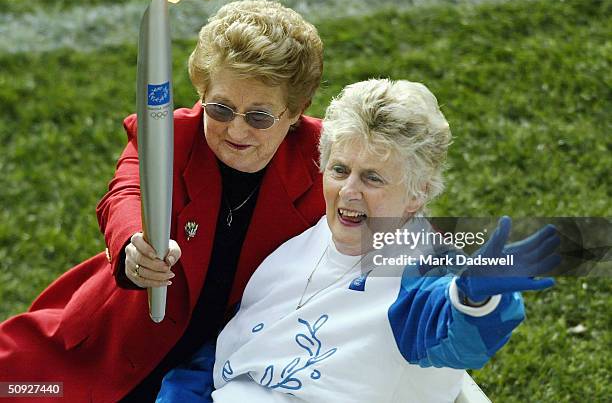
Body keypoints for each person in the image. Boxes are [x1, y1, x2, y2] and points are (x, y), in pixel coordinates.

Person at [0, 0, 325, 401]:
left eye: (259, 116)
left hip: (228, 372)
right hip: (107, 350)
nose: (236, 129)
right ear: (201, 91)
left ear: (296, 111)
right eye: (221, 108)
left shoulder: (330, 160)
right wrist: (133, 244)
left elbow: (391, 221)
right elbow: (126, 193)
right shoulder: (169, 135)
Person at [157, 79, 560, 402]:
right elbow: (230, 351)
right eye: (339, 170)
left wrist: (476, 301)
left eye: (373, 178)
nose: (349, 191)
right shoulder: (302, 242)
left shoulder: (418, 267)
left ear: (418, 192)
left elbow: (452, 335)